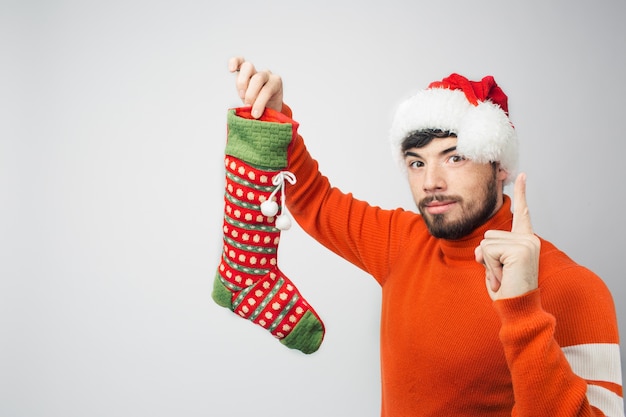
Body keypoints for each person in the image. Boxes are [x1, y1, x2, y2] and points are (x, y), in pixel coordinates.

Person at [220, 56, 624, 416]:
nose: (431, 182)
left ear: (499, 164)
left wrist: (522, 310)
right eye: (416, 162)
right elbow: (315, 200)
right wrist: (273, 119)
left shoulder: (574, 288)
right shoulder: (402, 240)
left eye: (455, 156)